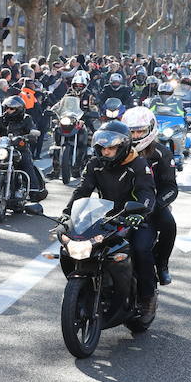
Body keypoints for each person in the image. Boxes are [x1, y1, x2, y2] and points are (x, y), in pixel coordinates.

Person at [62, 121, 158, 319]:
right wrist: (66, 213)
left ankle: (147, 299)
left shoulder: (138, 164)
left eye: (112, 148)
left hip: (135, 216)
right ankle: (91, 287)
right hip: (105, 216)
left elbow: (146, 193)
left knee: (141, 250)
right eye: (103, 148)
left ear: (122, 147)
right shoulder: (94, 164)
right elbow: (82, 190)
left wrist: (140, 212)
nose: (106, 152)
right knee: (73, 244)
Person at [122, 106, 177, 286]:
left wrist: (154, 205)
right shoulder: (117, 150)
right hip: (120, 206)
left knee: (169, 224)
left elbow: (171, 188)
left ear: (151, 129)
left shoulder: (162, 153)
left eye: (141, 131)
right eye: (133, 132)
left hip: (153, 206)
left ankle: (162, 264)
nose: (137, 136)